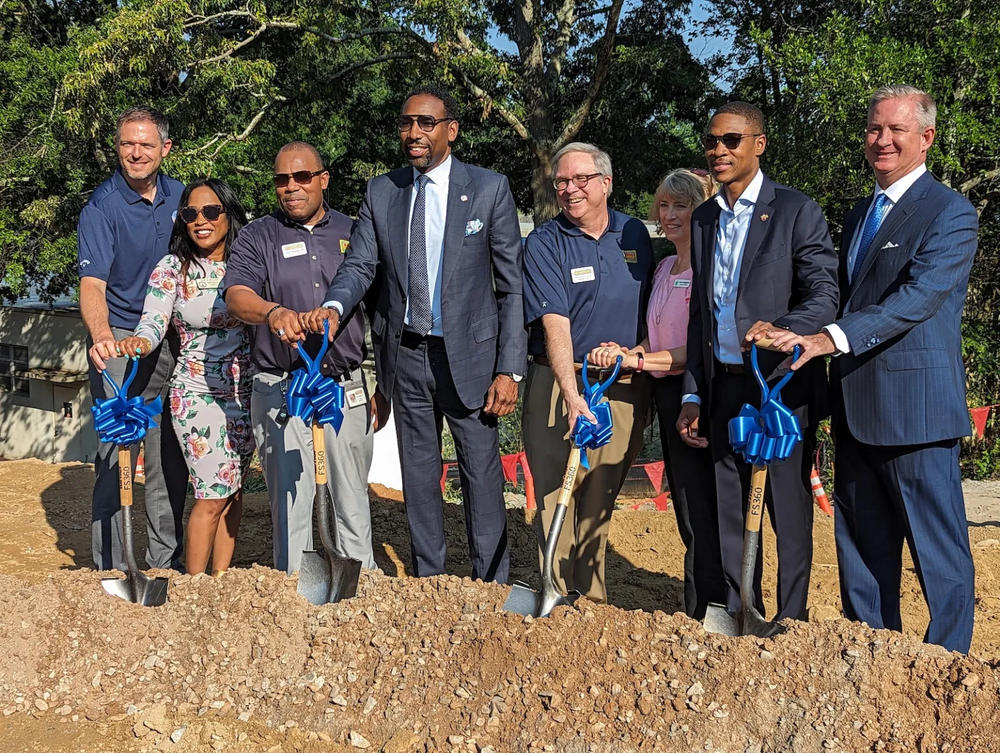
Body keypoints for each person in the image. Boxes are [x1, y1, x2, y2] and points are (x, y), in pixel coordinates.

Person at [764, 86, 979, 653]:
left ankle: (946, 667)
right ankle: (874, 661)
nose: (881, 140)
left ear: (926, 138)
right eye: (873, 129)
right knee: (860, 548)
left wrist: (828, 338)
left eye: (896, 131)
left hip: (918, 413)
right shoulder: (862, 212)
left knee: (938, 551)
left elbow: (918, 297)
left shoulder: (951, 212)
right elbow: (839, 295)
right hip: (855, 408)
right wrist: (787, 328)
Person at [301, 85, 525, 584]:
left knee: (480, 476)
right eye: (406, 123)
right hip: (405, 355)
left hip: (471, 358)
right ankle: (430, 580)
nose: (413, 133)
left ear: (451, 129)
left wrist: (510, 368)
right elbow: (361, 263)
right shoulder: (383, 191)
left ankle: (491, 581)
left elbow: (512, 289)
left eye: (425, 123)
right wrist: (334, 306)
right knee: (419, 475)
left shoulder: (489, 189)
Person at [678, 102, 839, 623]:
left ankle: (791, 619)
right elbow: (701, 316)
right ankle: (740, 608)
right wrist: (693, 392)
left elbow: (823, 291)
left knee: (787, 510)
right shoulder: (704, 218)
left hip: (779, 386)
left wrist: (787, 330)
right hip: (722, 384)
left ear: (759, 144)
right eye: (711, 141)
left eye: (731, 140)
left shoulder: (795, 210)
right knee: (729, 503)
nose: (718, 150)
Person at [222, 141, 379, 574]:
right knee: (291, 506)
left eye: (302, 177)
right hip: (282, 389)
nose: (291, 187)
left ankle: (360, 588)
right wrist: (273, 313)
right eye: (281, 179)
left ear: (323, 179)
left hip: (344, 390)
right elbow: (236, 297)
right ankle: (293, 595)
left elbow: (383, 310)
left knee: (352, 501)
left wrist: (383, 381)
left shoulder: (356, 232)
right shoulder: (258, 236)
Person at [588, 168, 725, 619]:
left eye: (681, 206)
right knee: (686, 509)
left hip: (697, 395)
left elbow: (699, 346)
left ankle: (714, 607)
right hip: (665, 398)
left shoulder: (712, 267)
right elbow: (653, 336)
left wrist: (640, 362)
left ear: (702, 209)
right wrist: (627, 352)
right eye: (663, 206)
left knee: (705, 509)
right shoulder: (666, 266)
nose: (669, 215)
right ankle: (696, 609)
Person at [522, 142, 653, 604]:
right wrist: (571, 390)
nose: (569, 189)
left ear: (606, 182)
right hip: (560, 383)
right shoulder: (543, 243)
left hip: (622, 386)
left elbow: (656, 313)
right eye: (561, 181)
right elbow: (555, 323)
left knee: (600, 494)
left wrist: (636, 353)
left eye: (580, 179)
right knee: (558, 492)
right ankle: (555, 595)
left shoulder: (635, 234)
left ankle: (591, 601)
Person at [115, 178, 253, 576]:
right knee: (211, 495)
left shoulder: (247, 261)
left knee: (234, 493)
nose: (201, 221)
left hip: (245, 394)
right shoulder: (173, 267)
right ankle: (195, 591)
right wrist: (138, 344)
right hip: (195, 393)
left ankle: (219, 582)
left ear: (229, 214)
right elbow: (153, 322)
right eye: (191, 213)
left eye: (211, 212)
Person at [79, 106, 188, 572]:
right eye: (127, 143)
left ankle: (164, 562)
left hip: (171, 339)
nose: (136, 153)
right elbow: (92, 286)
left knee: (167, 453)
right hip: (121, 339)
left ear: (165, 148)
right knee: (116, 451)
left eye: (146, 144)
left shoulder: (183, 198)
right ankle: (112, 568)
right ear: (118, 148)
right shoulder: (101, 208)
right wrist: (102, 336)